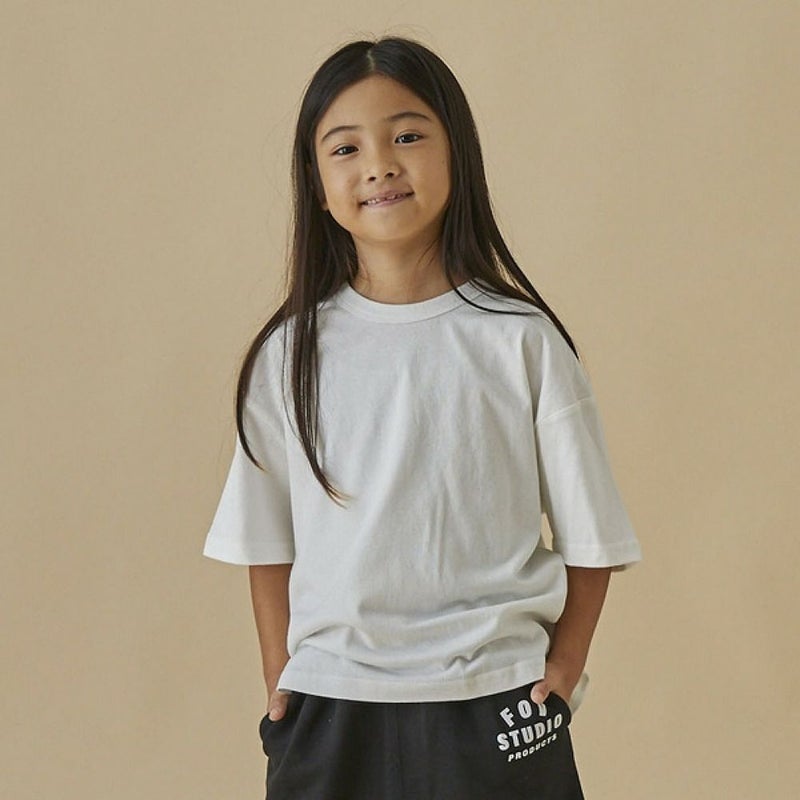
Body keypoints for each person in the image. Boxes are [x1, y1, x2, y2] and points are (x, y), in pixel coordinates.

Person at [203, 34, 642, 800]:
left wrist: (564, 670)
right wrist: (282, 679)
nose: (379, 165)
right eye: (346, 148)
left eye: (407, 136)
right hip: (331, 702)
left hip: (494, 696)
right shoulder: (289, 355)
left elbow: (593, 537)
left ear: (457, 154)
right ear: (316, 184)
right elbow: (263, 541)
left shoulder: (521, 342)